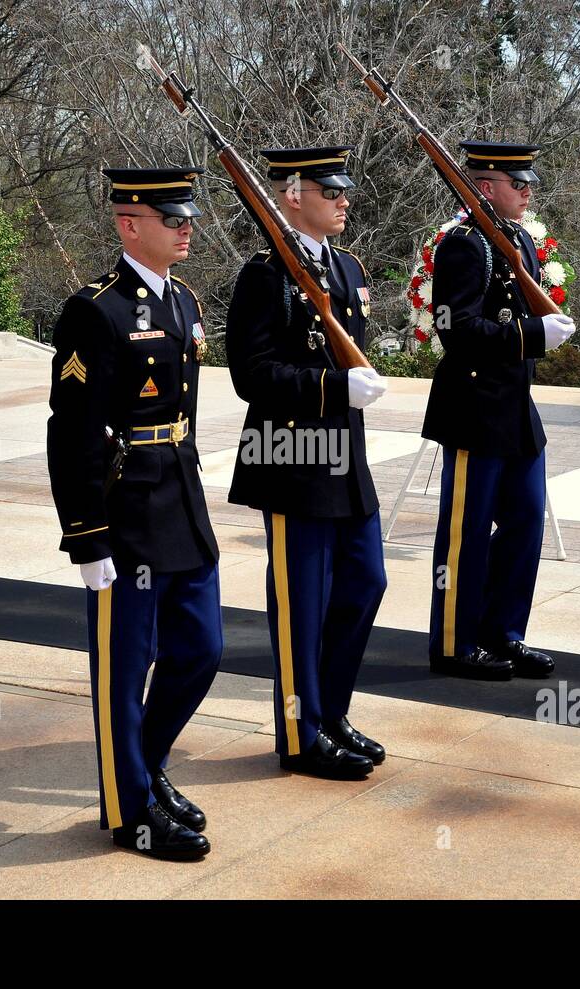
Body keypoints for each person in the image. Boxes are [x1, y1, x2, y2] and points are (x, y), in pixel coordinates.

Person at [46, 165, 221, 860]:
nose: (186, 228)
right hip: (125, 515)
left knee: (203, 650)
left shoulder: (182, 300)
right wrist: (86, 537)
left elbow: (186, 412)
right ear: (129, 224)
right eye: (172, 219)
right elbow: (72, 433)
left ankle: (144, 771)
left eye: (187, 218)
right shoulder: (96, 310)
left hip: (180, 501)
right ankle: (132, 813)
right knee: (125, 671)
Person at [225, 145, 388, 780]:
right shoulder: (265, 276)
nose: (345, 200)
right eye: (332, 192)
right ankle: (300, 732)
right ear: (293, 196)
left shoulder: (344, 268)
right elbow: (252, 374)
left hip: (345, 458)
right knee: (303, 604)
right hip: (292, 458)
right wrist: (330, 388)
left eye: (344, 190)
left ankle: (331, 713)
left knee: (365, 582)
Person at [422, 141, 577, 680]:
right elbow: (455, 330)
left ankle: (503, 633)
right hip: (473, 408)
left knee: (525, 521)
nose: (528, 189)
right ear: (486, 188)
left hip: (514, 409)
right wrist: (533, 334)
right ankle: (454, 642)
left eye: (528, 181)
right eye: (518, 182)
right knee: (464, 532)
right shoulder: (464, 246)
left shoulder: (516, 241)